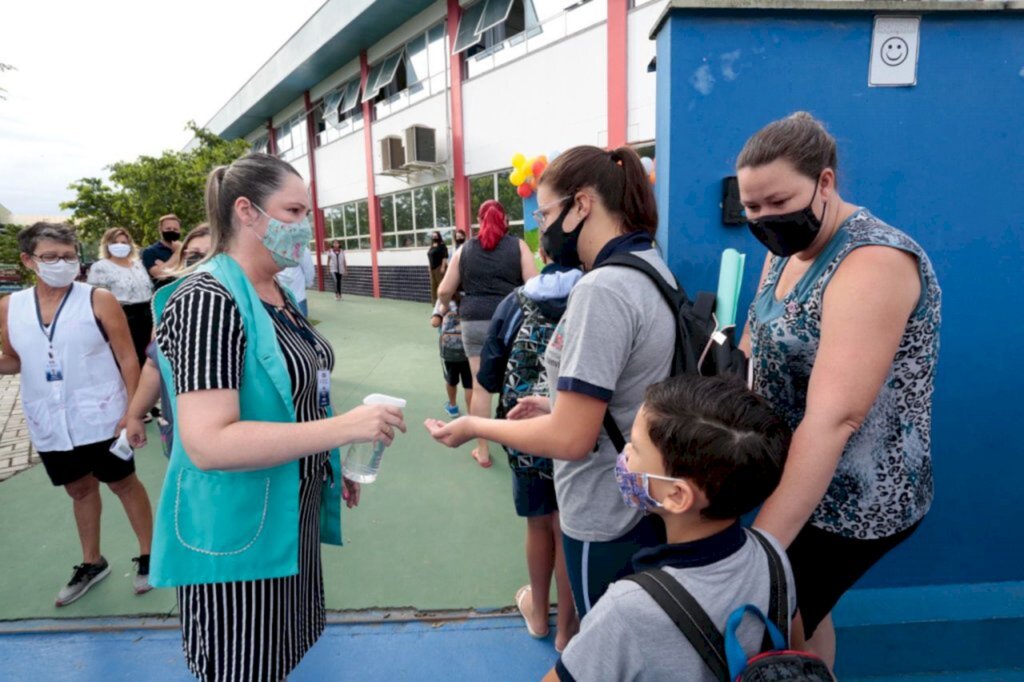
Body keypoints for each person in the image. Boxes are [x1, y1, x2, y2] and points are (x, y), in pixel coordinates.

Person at [150, 153, 406, 681]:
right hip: (239, 532)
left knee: (274, 658)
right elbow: (208, 442)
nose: (305, 225)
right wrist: (344, 428)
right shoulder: (209, 299)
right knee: (241, 665)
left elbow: (297, 393)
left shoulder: (278, 293)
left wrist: (328, 461)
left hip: (289, 514)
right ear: (246, 211)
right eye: (292, 210)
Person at [427, 146, 676, 620]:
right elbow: (623, 390)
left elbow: (569, 438)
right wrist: (559, 403)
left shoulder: (602, 288)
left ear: (582, 204)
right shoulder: (649, 264)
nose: (540, 227)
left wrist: (477, 429)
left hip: (604, 509)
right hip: (640, 502)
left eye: (543, 213)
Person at [736, 112, 942, 669]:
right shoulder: (780, 250)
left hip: (861, 497)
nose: (764, 219)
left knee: (778, 617)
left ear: (825, 183)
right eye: (751, 208)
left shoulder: (874, 261)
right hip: (799, 471)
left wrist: (756, 555)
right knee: (804, 615)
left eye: (778, 202)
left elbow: (836, 418)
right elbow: (757, 345)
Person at [546, 375, 795, 682]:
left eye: (635, 448)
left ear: (677, 496)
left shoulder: (627, 609)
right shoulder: (773, 556)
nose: (625, 455)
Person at [0, 222, 153, 604]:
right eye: (51, 257)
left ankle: (152, 555)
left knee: (123, 483)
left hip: (102, 414)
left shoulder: (97, 299)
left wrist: (133, 410)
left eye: (68, 256)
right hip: (50, 420)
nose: (61, 264)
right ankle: (92, 561)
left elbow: (127, 357)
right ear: (28, 260)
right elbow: (14, 360)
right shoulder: (10, 307)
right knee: (79, 489)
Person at [476, 251, 582, 652]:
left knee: (538, 524)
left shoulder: (515, 302)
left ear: (545, 255)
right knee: (566, 527)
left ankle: (538, 613)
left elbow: (489, 373)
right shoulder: (593, 297)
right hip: (578, 430)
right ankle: (566, 629)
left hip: (525, 434)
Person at [436, 200, 538, 467]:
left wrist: (444, 309)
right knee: (516, 382)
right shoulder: (518, 246)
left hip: (474, 320)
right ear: (504, 221)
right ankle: (520, 446)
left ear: (479, 221)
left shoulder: (465, 249)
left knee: (481, 388)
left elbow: (445, 290)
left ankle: (483, 450)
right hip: (510, 320)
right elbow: (534, 284)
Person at [125, 227, 212, 457]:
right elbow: (154, 365)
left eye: (210, 253)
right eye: (192, 254)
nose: (200, 260)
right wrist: (135, 415)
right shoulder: (168, 304)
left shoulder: (244, 303)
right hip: (180, 422)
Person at [88, 227, 155, 414]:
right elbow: (96, 297)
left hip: (145, 313)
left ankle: (145, 403)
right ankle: (130, 405)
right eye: (116, 242)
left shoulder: (137, 264)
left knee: (146, 358)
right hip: (122, 314)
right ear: (107, 244)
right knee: (127, 359)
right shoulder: (101, 267)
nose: (120, 246)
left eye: (124, 242)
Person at [431, 294, 474, 419]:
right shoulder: (471, 297)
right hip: (468, 347)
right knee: (469, 383)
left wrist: (441, 311)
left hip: (450, 350)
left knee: (451, 379)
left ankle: (453, 407)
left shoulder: (444, 299)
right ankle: (470, 413)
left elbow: (434, 323)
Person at [141, 213, 182, 288]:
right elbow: (160, 275)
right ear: (160, 230)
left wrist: (165, 266)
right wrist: (177, 253)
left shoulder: (187, 249)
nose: (172, 231)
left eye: (175, 229)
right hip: (165, 296)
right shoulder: (150, 251)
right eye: (168, 229)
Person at [276, 245, 315, 316]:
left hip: (288, 296)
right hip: (294, 296)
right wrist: (307, 284)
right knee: (300, 325)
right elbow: (309, 272)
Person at [427, 230, 449, 304]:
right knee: (433, 284)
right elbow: (430, 257)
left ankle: (443, 300)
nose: (434, 237)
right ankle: (434, 301)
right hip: (432, 268)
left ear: (439, 236)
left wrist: (443, 267)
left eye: (435, 236)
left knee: (441, 284)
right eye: (433, 236)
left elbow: (444, 257)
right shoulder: (432, 246)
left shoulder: (442, 246)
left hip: (439, 267)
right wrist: (429, 266)